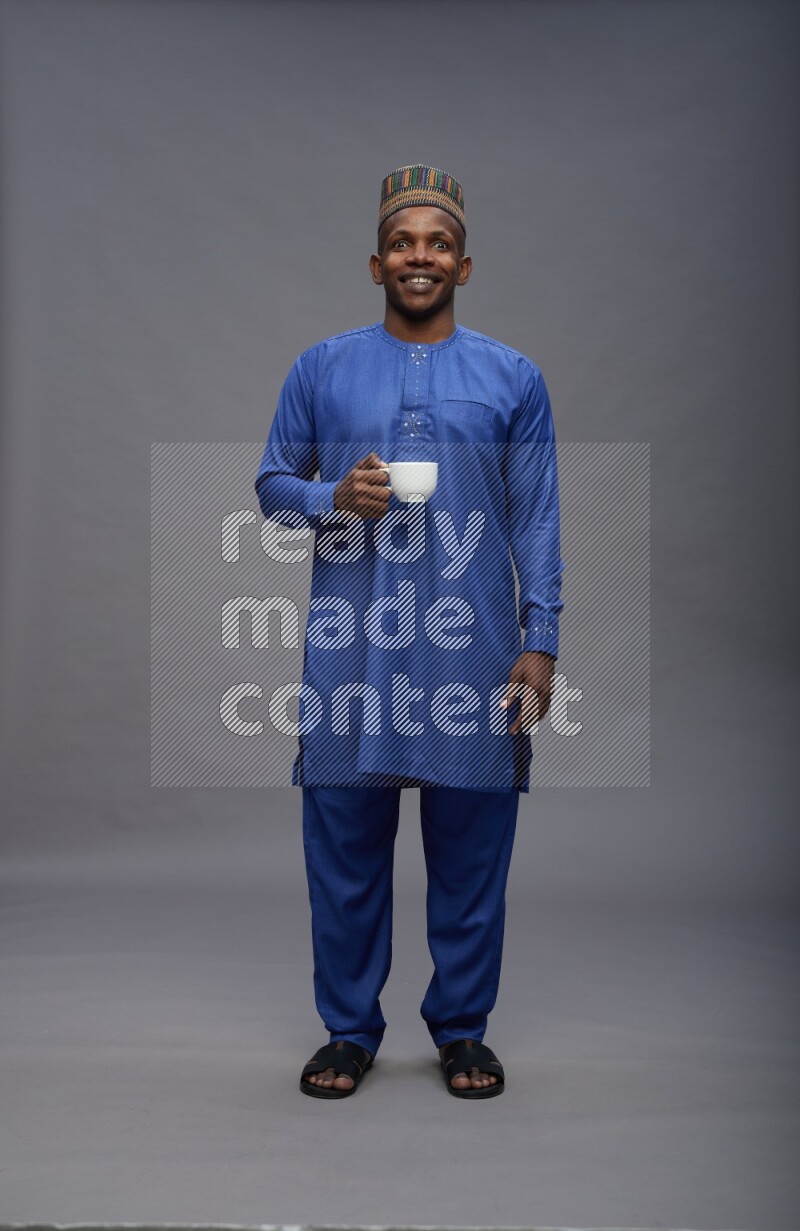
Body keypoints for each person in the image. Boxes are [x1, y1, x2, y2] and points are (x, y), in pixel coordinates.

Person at [254, 165, 563, 1099]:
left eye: (437, 244)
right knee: (345, 854)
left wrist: (541, 638)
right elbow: (272, 486)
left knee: (472, 854)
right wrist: (331, 496)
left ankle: (463, 1030)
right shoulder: (321, 368)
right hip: (353, 651)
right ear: (375, 263)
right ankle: (348, 1031)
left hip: (476, 652)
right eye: (401, 242)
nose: (417, 257)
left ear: (463, 266)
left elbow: (536, 517)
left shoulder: (513, 377)